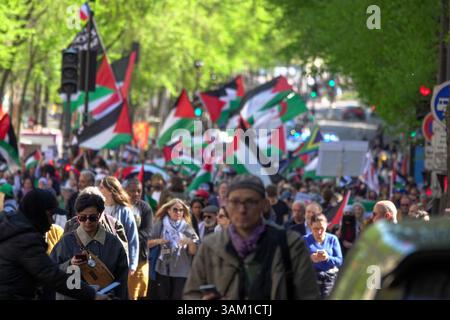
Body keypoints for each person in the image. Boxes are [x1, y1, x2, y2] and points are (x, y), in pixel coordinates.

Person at [183, 175, 319, 300]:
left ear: (265, 205)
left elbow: (309, 295)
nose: (242, 209)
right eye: (235, 202)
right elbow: (191, 294)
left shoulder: (290, 245)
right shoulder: (211, 246)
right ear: (226, 206)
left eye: (250, 202)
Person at [0, 189, 106, 300]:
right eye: (50, 216)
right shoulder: (24, 240)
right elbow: (52, 275)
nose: (51, 222)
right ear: (40, 214)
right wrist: (92, 294)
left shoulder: (13, 228)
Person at [50, 192, 129, 299]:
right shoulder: (66, 242)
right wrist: (69, 264)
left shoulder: (113, 244)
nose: (87, 222)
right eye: (82, 218)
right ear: (77, 217)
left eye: (92, 218)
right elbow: (51, 272)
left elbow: (122, 281)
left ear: (100, 215)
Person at [148, 198, 199, 300]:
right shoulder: (161, 224)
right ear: (168, 210)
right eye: (175, 209)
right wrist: (159, 241)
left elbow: (194, 251)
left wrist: (189, 241)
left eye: (181, 210)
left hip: (182, 271)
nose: (178, 212)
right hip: (163, 270)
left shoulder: (187, 228)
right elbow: (146, 243)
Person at [99, 176, 139, 274]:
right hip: (100, 260)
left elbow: (132, 238)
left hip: (119, 259)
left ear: (110, 191)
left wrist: (132, 264)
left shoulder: (125, 211)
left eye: (101, 187)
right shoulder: (98, 208)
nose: (99, 189)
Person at [123, 178, 153, 300]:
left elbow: (147, 231)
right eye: (132, 191)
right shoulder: (119, 207)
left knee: (135, 294)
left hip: (139, 257)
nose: (136, 193)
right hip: (121, 256)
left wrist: (129, 238)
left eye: (138, 191)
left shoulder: (145, 208)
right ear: (125, 191)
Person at [304, 214, 343, 299]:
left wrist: (327, 258)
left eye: (322, 228)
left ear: (326, 226)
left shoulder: (332, 239)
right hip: (311, 279)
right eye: (315, 229)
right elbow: (298, 261)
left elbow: (339, 261)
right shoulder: (305, 240)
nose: (319, 232)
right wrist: (310, 259)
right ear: (310, 227)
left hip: (329, 279)